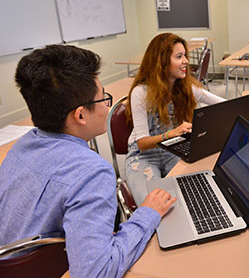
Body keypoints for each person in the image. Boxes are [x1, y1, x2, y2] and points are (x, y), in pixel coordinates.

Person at [0, 45, 176, 277]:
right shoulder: (92, 173)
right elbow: (96, 272)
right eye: (103, 97)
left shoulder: (19, 148)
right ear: (80, 115)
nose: (107, 105)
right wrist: (148, 213)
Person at [125, 33, 224, 206]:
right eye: (179, 57)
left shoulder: (185, 88)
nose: (186, 61)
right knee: (154, 208)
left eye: (184, 55)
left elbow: (224, 106)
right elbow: (142, 143)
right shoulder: (141, 93)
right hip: (145, 156)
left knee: (196, 197)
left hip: (173, 149)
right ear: (161, 62)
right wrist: (171, 134)